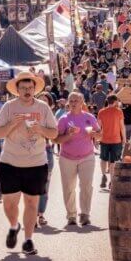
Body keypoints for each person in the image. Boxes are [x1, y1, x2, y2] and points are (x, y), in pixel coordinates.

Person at [0, 72, 59, 256]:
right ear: (18, 90)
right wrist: (11, 125)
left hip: (36, 163)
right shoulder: (9, 107)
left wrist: (41, 129)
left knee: (31, 202)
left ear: (34, 89)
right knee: (9, 204)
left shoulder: (43, 107)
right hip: (10, 162)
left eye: (30, 88)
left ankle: (28, 240)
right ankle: (14, 226)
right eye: (23, 88)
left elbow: (54, 134)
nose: (27, 91)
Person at [55, 91, 100, 226]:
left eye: (76, 101)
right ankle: (71, 215)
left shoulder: (90, 117)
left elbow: (100, 135)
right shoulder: (63, 119)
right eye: (71, 101)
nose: (73, 103)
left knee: (86, 186)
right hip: (67, 158)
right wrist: (68, 135)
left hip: (87, 157)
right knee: (68, 187)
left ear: (82, 103)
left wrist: (94, 135)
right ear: (68, 103)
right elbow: (56, 139)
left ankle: (85, 214)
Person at [97, 94, 125, 189]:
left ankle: (103, 175)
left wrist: (96, 139)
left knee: (103, 159)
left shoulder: (101, 112)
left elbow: (98, 127)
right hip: (116, 140)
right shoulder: (119, 112)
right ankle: (111, 181)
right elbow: (122, 127)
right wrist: (124, 139)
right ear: (115, 102)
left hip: (104, 139)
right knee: (113, 161)